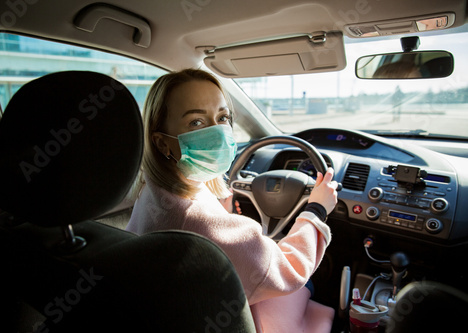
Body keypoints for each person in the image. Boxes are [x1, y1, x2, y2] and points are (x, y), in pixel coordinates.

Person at [126, 68, 338, 332]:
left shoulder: (153, 192)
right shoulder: (201, 223)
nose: (218, 132)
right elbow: (288, 269)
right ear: (161, 143)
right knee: (310, 286)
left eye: (223, 117)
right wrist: (316, 210)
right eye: (196, 123)